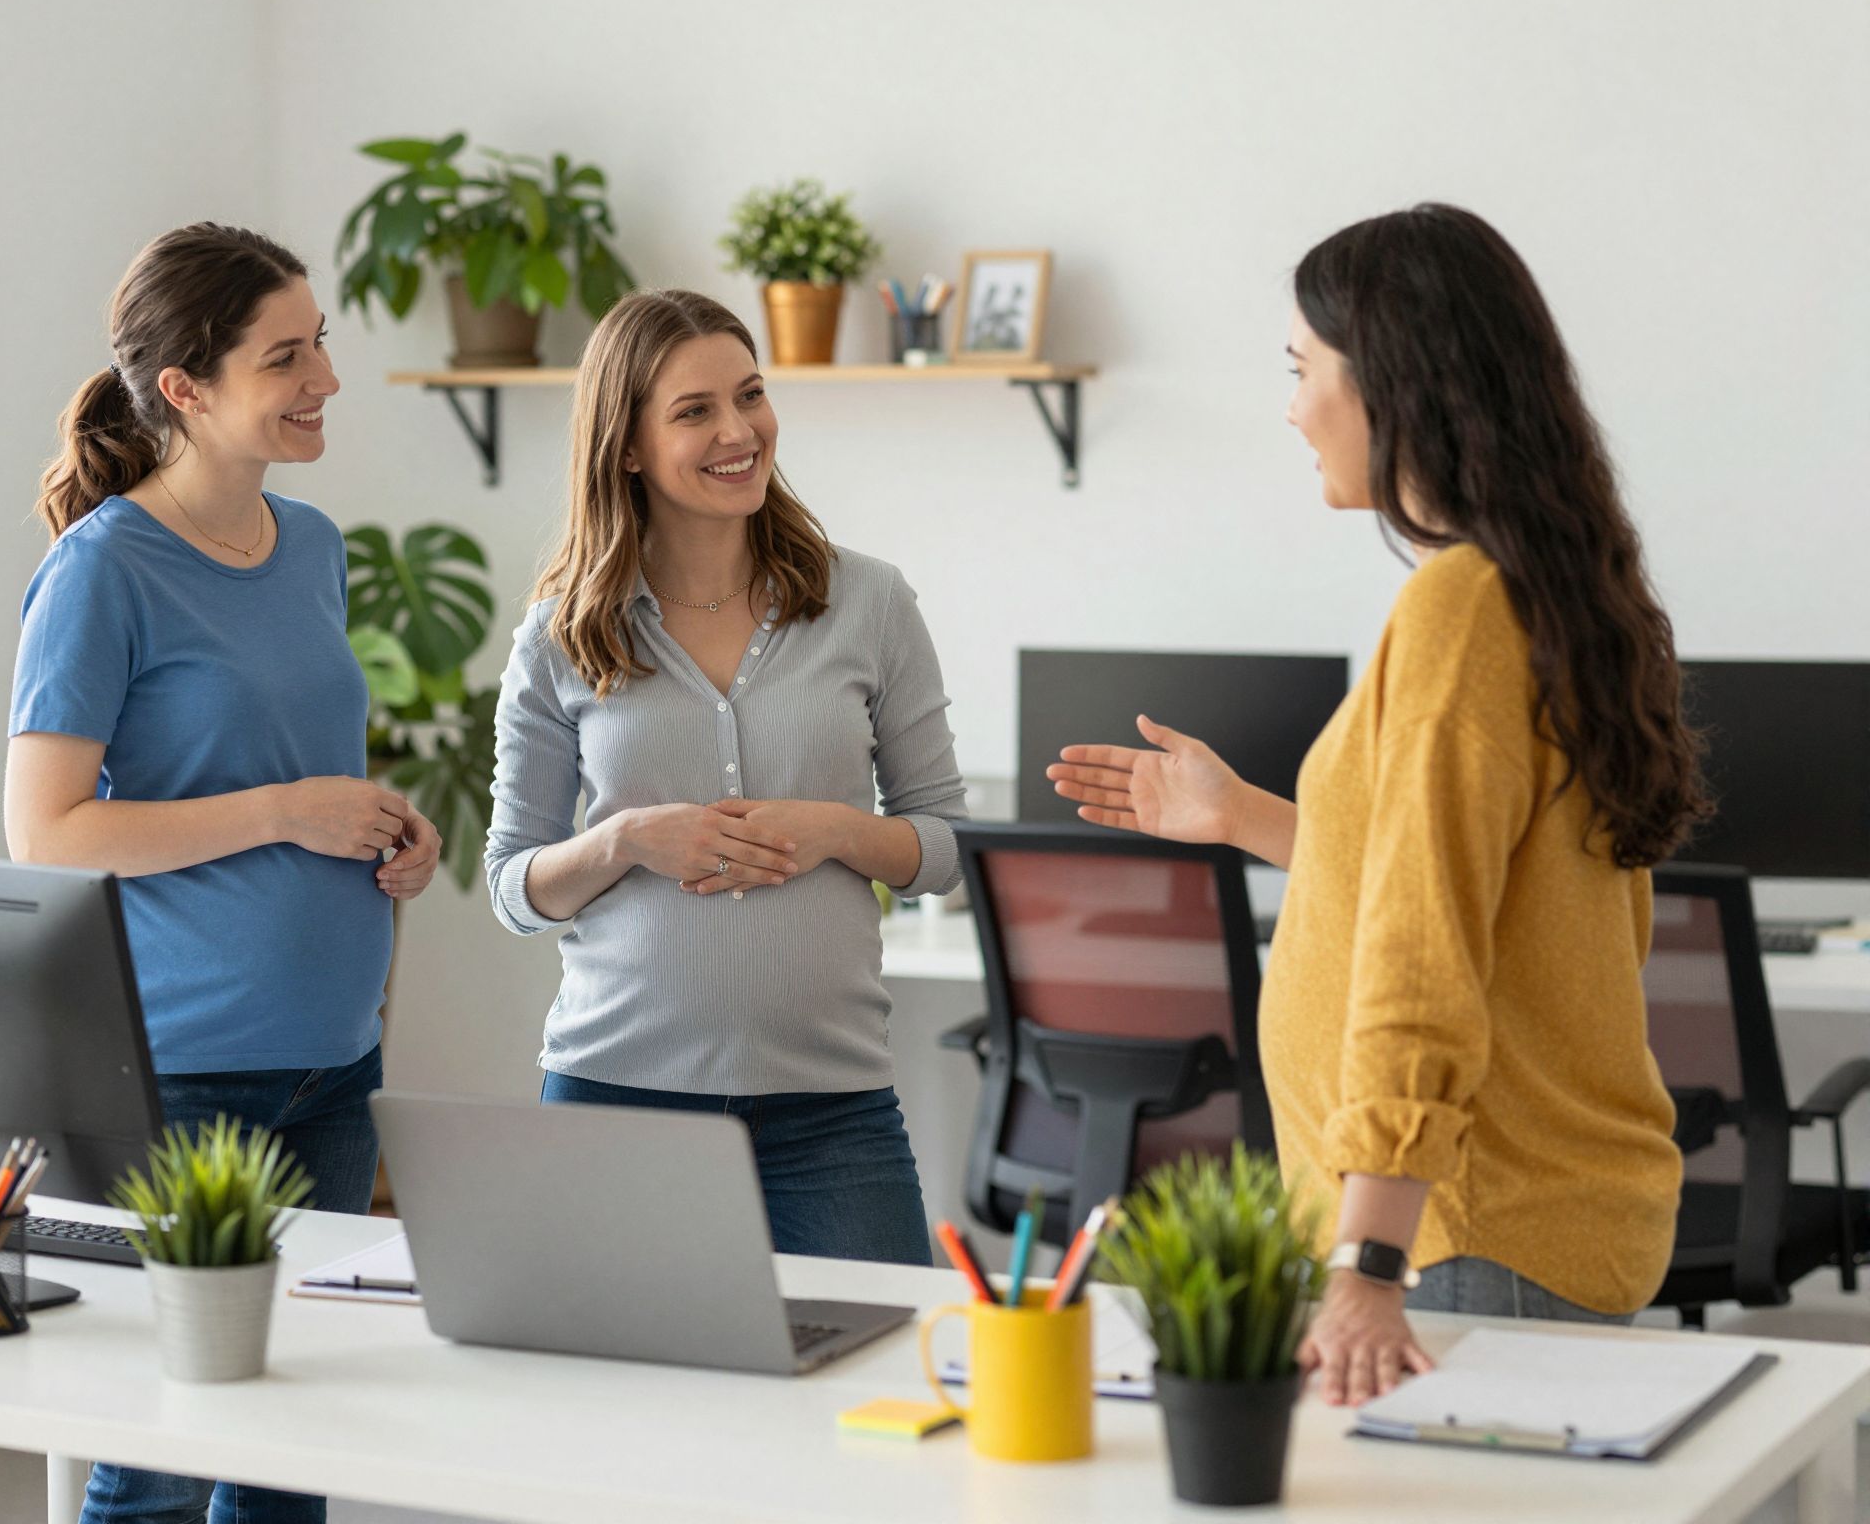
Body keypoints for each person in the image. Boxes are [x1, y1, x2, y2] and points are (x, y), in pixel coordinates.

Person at [1048, 204, 1706, 1405]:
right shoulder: (1541, 594)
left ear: (1388, 383)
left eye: (1302, 371)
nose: (1292, 409)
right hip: (1519, 1226)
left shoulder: (1456, 612)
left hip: (1466, 1240)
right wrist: (1242, 815)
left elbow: (1421, 958)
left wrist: (1367, 1259)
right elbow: (1465, 883)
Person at [7, 222, 440, 1524]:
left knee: (294, 1447)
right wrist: (283, 813)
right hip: (185, 1070)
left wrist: (385, 831)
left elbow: (301, 777)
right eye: (285, 355)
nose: (324, 379)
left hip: (332, 1056)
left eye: (323, 344)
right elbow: (51, 832)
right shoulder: (102, 573)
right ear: (187, 389)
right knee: (165, 1450)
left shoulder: (311, 548)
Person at [485, 288, 967, 1266]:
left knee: (869, 1394)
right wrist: (625, 840)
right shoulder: (559, 635)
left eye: (748, 396)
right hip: (613, 1100)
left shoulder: (867, 601)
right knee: (619, 1405)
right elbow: (512, 885)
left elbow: (944, 846)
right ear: (626, 445)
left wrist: (835, 829)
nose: (738, 430)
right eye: (694, 411)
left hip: (829, 1112)